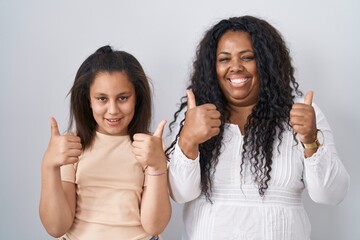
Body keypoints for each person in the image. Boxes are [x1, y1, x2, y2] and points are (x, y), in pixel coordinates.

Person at [166, 16, 350, 240]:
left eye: (248, 57)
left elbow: (331, 195)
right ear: (212, 67)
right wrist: (188, 140)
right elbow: (180, 194)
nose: (235, 67)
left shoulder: (302, 113)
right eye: (224, 59)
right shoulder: (195, 116)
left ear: (266, 62)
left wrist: (311, 140)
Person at [39, 45, 171, 240]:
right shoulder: (73, 145)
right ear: (88, 100)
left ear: (137, 97)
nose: (113, 110)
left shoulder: (149, 147)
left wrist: (158, 164)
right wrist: (49, 165)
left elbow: (154, 226)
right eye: (102, 99)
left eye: (123, 98)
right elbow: (56, 227)